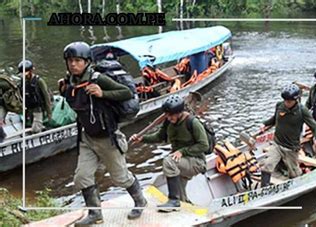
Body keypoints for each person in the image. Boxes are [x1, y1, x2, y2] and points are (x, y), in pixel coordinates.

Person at [58, 42, 146, 225]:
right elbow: (77, 105)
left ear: (87, 62)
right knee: (82, 177)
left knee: (121, 177)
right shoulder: (70, 81)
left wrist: (102, 93)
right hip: (87, 138)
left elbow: (126, 93)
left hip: (107, 138)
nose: (73, 64)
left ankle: (140, 200)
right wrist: (64, 91)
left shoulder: (98, 78)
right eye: (70, 61)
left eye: (77, 61)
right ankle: (95, 214)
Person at [130, 95, 208, 212]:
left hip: (196, 162)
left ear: (179, 113)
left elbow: (204, 145)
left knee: (168, 161)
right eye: (167, 114)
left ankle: (173, 201)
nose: (168, 117)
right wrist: (142, 139)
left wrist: (182, 151)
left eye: (171, 115)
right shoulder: (169, 122)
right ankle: (184, 207)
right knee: (181, 196)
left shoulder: (193, 123)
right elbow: (159, 136)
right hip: (180, 162)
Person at [259, 84, 316, 187]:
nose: (286, 103)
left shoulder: (302, 111)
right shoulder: (279, 105)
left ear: (295, 100)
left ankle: (300, 184)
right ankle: (264, 188)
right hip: (277, 144)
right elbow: (274, 119)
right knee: (267, 165)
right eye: (285, 100)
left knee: (294, 174)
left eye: (289, 101)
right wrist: (264, 124)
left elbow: (314, 126)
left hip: (291, 148)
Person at [18, 60, 52, 133]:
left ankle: (39, 130)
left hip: (38, 108)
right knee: (29, 125)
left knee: (35, 129)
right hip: (29, 108)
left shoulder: (39, 81)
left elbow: (46, 96)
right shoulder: (22, 82)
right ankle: (41, 127)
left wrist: (49, 113)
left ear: (30, 71)